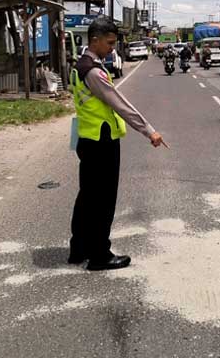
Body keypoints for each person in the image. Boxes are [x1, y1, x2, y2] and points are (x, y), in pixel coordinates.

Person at [69, 17, 166, 271]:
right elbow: (120, 104)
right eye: (110, 43)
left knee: (87, 197)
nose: (113, 48)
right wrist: (149, 131)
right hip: (102, 142)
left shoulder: (79, 65)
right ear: (95, 40)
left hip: (87, 138)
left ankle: (78, 249)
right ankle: (100, 254)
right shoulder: (94, 71)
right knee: (103, 199)